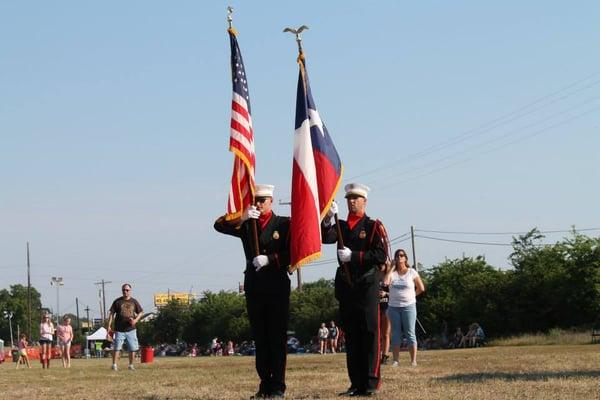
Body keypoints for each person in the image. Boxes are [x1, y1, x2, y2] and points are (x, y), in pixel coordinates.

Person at [214, 184, 291, 399]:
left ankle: (277, 386)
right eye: (255, 200)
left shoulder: (284, 224)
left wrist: (271, 259)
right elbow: (219, 225)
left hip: (276, 286)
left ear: (271, 202)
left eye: (262, 200)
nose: (258, 204)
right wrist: (242, 216)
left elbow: (295, 252)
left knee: (276, 337)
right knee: (261, 338)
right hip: (255, 287)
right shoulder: (248, 224)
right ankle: (265, 383)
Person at [322, 183, 388, 397]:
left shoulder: (373, 226)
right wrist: (327, 219)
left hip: (367, 285)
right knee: (351, 336)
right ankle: (356, 383)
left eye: (356, 198)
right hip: (347, 285)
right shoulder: (340, 225)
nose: (352, 201)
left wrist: (356, 256)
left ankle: (371, 382)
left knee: (369, 333)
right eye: (349, 197)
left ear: (365, 201)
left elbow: (380, 256)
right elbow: (325, 238)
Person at [385, 249, 425, 367]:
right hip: (394, 307)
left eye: (402, 255)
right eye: (397, 256)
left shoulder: (411, 272)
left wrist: (412, 296)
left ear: (406, 258)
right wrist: (391, 268)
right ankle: (396, 360)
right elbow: (385, 282)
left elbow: (421, 288)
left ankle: (413, 360)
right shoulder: (392, 273)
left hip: (409, 306)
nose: (399, 257)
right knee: (396, 333)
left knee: (410, 333)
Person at [106, 283, 143, 371]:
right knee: (117, 348)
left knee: (132, 348)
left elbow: (141, 312)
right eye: (124, 290)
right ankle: (114, 365)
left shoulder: (134, 301)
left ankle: (131, 365)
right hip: (119, 330)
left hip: (131, 330)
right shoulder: (117, 301)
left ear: (130, 291)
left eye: (127, 290)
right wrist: (109, 326)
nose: (125, 292)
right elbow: (111, 314)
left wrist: (135, 320)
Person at [378, 261, 392, 365]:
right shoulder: (375, 276)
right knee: (377, 333)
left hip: (387, 306)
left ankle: (385, 356)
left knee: (386, 333)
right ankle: (377, 355)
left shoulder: (391, 277)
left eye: (382, 264)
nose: (380, 266)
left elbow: (397, 292)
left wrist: (386, 293)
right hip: (376, 306)